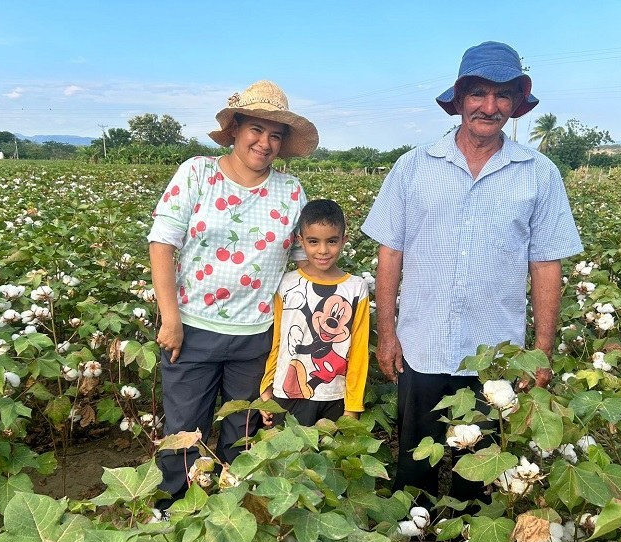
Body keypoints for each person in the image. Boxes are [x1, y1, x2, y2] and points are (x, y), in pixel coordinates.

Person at [361, 41, 583, 503]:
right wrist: (387, 331)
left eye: (503, 95)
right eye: (478, 93)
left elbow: (546, 264)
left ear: (516, 105)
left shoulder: (539, 174)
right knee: (417, 460)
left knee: (481, 466)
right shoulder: (414, 166)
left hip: (494, 352)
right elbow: (390, 254)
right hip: (422, 342)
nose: (489, 106)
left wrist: (540, 352)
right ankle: (417, 537)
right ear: (459, 99)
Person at [147, 80, 319, 510]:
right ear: (236, 127)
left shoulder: (291, 190)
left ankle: (227, 515)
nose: (265, 143)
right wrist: (170, 319)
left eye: (275, 135)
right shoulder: (197, 173)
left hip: (257, 335)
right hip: (192, 329)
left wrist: (342, 297)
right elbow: (162, 244)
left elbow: (304, 261)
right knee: (185, 431)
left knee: (241, 431)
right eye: (256, 130)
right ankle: (173, 512)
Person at [259, 199, 370, 427]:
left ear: (343, 241)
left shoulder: (356, 288)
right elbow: (278, 341)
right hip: (286, 392)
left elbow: (359, 349)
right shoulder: (287, 283)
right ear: (301, 241)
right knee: (287, 459)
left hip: (334, 394)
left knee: (329, 460)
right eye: (313, 241)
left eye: (331, 241)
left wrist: (353, 405)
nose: (322, 250)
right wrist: (266, 387)